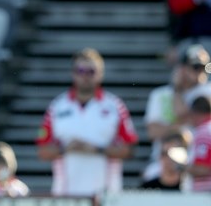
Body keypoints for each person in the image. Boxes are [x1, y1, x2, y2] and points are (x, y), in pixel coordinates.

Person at [36, 48, 139, 196]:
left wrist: (96, 149)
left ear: (100, 74)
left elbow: (130, 149)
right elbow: (42, 150)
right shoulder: (57, 106)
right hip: (65, 194)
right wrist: (66, 149)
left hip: (107, 195)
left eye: (91, 71)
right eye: (80, 70)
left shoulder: (115, 106)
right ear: (73, 73)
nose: (85, 76)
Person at [144, 44, 211, 180]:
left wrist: (177, 92)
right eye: (195, 67)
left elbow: (184, 115)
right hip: (163, 163)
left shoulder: (208, 91)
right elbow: (152, 131)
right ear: (181, 68)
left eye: (206, 67)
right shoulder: (160, 94)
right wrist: (177, 89)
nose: (201, 72)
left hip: (197, 163)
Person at [186, 94, 211, 191]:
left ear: (194, 113)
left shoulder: (204, 132)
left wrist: (181, 167)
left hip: (206, 194)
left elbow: (203, 168)